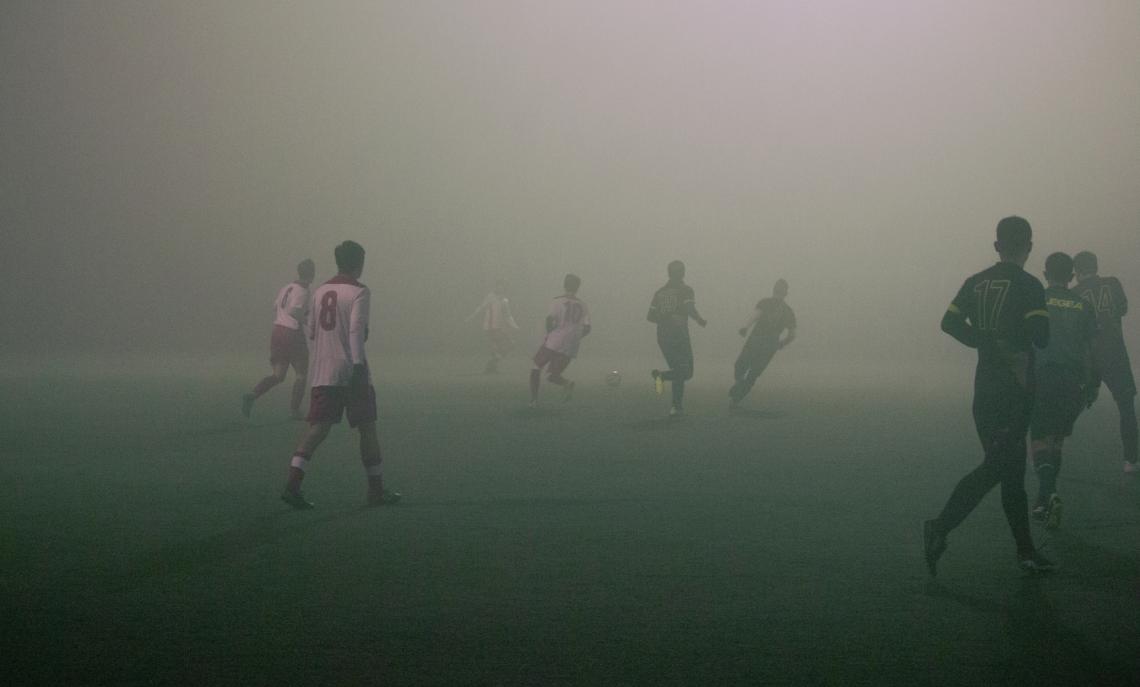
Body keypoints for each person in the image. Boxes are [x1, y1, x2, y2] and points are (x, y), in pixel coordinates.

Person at [923, 216, 1054, 575]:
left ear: (996, 245)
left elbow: (948, 323)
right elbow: (1040, 336)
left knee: (1010, 473)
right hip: (1015, 392)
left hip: (984, 390)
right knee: (999, 468)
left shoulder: (975, 282)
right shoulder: (1029, 285)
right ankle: (939, 526)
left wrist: (981, 341)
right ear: (1029, 245)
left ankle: (1026, 552)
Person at [280, 241, 399, 509]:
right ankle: (376, 491)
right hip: (351, 371)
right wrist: (357, 364)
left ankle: (292, 485)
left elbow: (311, 329)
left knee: (317, 429)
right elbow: (356, 330)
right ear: (360, 263)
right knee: (367, 428)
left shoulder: (319, 290)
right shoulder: (359, 291)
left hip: (323, 370)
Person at [1029, 252, 1098, 529]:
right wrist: (1093, 384)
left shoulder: (1038, 300)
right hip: (1072, 381)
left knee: (1038, 438)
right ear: (1071, 277)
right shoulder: (1083, 306)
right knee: (1056, 439)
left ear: (1045, 274)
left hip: (1041, 377)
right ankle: (1044, 501)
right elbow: (1092, 349)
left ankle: (1048, 493)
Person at [1072, 251, 1137, 474]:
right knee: (1126, 406)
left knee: (1077, 401)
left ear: (1077, 272)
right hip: (1115, 354)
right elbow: (1123, 308)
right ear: (1096, 266)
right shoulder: (1112, 283)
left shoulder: (1074, 293)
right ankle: (1131, 460)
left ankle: (1047, 445)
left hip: (1089, 356)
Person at [243, 259, 315, 420]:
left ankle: (252, 395)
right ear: (312, 274)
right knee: (301, 375)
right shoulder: (303, 291)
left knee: (278, 375)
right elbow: (294, 311)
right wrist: (309, 323)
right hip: (292, 333)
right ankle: (295, 411)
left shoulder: (286, 287)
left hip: (277, 332)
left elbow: (275, 306)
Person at [648, 260, 707, 417]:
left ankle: (676, 408)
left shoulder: (659, 292)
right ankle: (662, 377)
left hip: (662, 336)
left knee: (679, 370)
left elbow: (650, 316)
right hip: (679, 335)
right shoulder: (685, 290)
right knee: (687, 372)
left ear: (668, 273)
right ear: (683, 273)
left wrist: (664, 316)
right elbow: (689, 308)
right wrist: (700, 320)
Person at [729, 279, 796, 410]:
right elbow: (792, 335)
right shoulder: (788, 311)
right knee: (754, 373)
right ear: (786, 293)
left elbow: (756, 316)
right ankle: (735, 400)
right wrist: (781, 344)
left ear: (773, 289)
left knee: (741, 364)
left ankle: (738, 384)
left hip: (756, 339)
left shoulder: (765, 302)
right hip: (771, 344)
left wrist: (745, 327)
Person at [530, 274, 590, 406]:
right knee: (552, 376)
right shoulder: (583, 305)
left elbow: (549, 320)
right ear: (578, 288)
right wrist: (575, 338)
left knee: (536, 367)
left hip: (554, 341)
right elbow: (587, 328)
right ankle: (567, 384)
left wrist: (549, 334)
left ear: (564, 285)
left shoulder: (557, 301)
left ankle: (534, 401)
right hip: (571, 346)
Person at [467, 280, 520, 373]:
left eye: (501, 286)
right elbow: (481, 307)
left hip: (499, 327)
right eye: (498, 286)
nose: (499, 288)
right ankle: (492, 364)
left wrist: (515, 326)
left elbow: (508, 315)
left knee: (511, 345)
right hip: (490, 327)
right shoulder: (490, 297)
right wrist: (472, 316)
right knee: (498, 347)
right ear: (495, 287)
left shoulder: (505, 300)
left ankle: (492, 365)